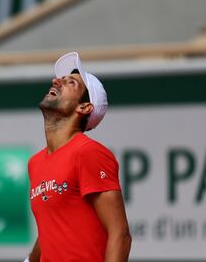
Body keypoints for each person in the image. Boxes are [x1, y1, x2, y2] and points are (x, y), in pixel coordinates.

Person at [25, 52, 132, 262]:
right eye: (60, 79)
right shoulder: (35, 163)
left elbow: (120, 234)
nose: (56, 80)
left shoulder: (88, 152)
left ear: (84, 107)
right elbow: (52, 229)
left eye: (70, 82)